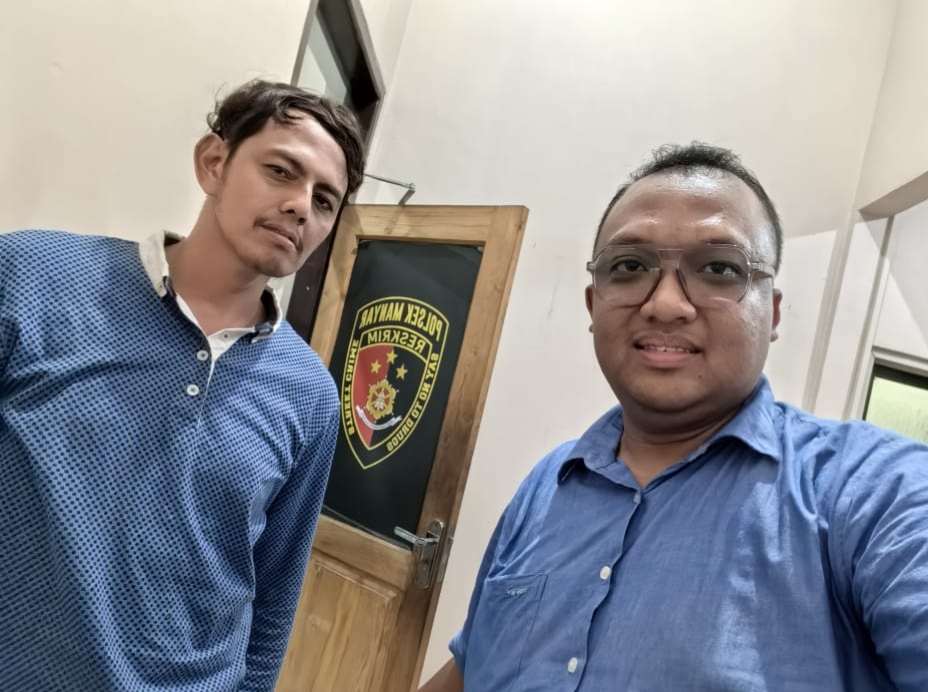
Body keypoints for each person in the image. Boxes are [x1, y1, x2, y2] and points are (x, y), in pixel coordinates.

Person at [420, 143, 928, 692]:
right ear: (593, 305)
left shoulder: (875, 495)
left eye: (719, 268)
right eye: (629, 266)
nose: (665, 304)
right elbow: (474, 664)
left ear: (773, 313)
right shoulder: (547, 486)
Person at [1, 80, 364, 691]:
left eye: (325, 200)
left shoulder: (309, 395)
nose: (302, 206)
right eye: (281, 171)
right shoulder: (32, 277)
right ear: (214, 162)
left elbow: (273, 596)